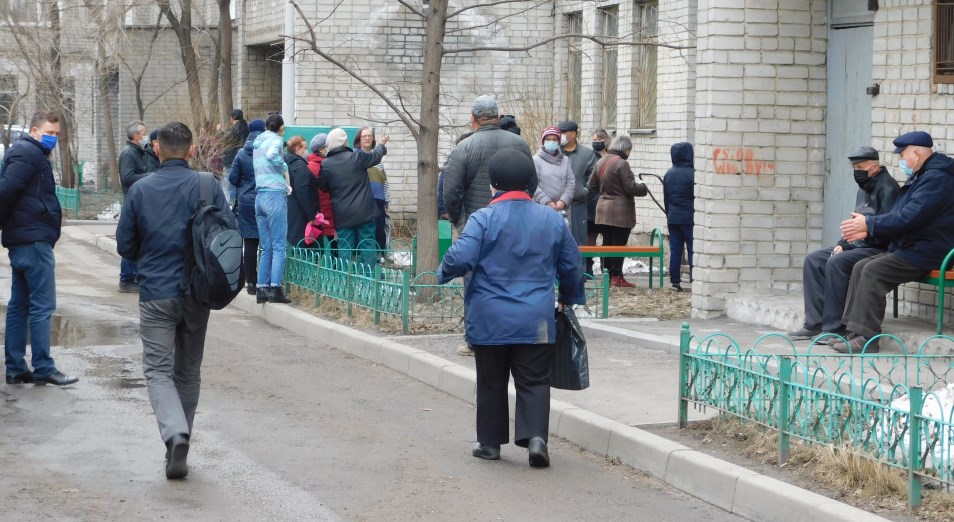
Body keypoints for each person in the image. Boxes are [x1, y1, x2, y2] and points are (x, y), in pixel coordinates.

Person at [438, 149, 585, 468]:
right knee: (534, 380)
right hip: (536, 318)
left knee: (491, 381)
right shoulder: (550, 218)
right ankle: (535, 439)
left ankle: (490, 444)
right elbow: (572, 263)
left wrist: (443, 271)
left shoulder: (483, 219)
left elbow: (460, 257)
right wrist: (568, 296)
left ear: (494, 185)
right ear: (531, 183)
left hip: (489, 318)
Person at [117, 121, 235, 479]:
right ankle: (179, 443)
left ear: (157, 149)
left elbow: (126, 245)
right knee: (187, 370)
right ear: (191, 148)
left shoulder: (141, 189)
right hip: (197, 293)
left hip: (156, 292)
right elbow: (229, 232)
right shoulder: (207, 185)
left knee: (156, 369)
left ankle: (174, 434)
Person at [835, 131, 954, 353]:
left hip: (929, 250)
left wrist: (869, 224)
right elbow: (900, 213)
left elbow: (910, 216)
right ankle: (853, 330)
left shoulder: (937, 179)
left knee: (873, 270)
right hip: (914, 246)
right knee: (861, 266)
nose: (901, 161)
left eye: (903, 156)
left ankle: (867, 338)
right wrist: (868, 230)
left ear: (917, 153)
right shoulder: (922, 174)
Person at [788, 147, 900, 343]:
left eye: (860, 167)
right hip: (857, 246)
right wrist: (842, 243)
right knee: (814, 260)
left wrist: (848, 246)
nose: (857, 172)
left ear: (874, 167)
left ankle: (835, 327)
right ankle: (814, 323)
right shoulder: (863, 188)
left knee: (837, 262)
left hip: (878, 249)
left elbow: (889, 232)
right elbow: (853, 224)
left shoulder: (888, 188)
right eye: (854, 167)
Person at [0, 111, 78, 386]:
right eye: (49, 132)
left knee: (20, 305)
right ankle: (43, 366)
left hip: (25, 238)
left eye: (57, 134)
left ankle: (16, 366)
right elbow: (6, 189)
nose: (53, 138)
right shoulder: (29, 153)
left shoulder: (25, 152)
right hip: (33, 240)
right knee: (42, 306)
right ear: (34, 130)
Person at [442, 95, 534, 233]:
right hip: (515, 224)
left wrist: (460, 222)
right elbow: (532, 183)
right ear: (497, 118)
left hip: (476, 227)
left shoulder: (463, 148)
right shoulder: (520, 143)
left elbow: (451, 192)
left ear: (472, 118)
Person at [316, 127, 389, 269]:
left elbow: (323, 186)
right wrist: (381, 145)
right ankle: (369, 280)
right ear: (345, 142)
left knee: (345, 246)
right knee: (368, 244)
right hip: (365, 211)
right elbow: (376, 156)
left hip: (343, 214)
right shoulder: (357, 157)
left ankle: (345, 283)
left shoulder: (326, 164)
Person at [587, 135, 648, 288]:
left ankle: (607, 275)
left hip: (602, 209)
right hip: (620, 212)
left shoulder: (601, 160)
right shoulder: (622, 164)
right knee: (619, 244)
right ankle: (617, 276)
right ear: (625, 149)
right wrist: (643, 186)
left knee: (607, 243)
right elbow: (631, 188)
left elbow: (591, 185)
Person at [253, 113, 292, 304]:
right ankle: (276, 288)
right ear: (280, 127)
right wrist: (283, 165)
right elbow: (273, 156)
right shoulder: (276, 140)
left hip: (259, 196)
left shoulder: (257, 143)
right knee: (278, 247)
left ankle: (262, 289)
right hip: (275, 195)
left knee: (266, 247)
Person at [228, 119, 263, 295]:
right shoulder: (269, 150)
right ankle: (268, 281)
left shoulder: (242, 153)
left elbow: (233, 178)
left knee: (250, 242)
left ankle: (251, 282)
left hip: (247, 201)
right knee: (268, 243)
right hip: (266, 199)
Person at [118, 120, 151, 293]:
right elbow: (127, 177)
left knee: (138, 239)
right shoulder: (129, 153)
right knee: (131, 240)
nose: (147, 135)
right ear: (136, 136)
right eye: (144, 132)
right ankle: (127, 278)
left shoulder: (139, 152)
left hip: (138, 201)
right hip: (132, 201)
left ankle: (136, 276)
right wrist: (151, 176)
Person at [557, 120, 597, 247]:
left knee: (578, 243)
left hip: (578, 205)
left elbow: (594, 175)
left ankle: (581, 267)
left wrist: (585, 190)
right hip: (555, 205)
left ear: (573, 134)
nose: (560, 135)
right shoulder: (553, 152)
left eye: (563, 132)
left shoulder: (587, 154)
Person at [662, 142, 696, 292]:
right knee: (692, 248)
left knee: (675, 249)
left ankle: (675, 281)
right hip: (689, 217)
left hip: (673, 216)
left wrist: (669, 213)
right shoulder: (693, 174)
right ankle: (695, 279)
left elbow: (666, 198)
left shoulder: (669, 174)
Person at [354, 127, 390, 252]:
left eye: (370, 136)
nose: (368, 138)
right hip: (363, 202)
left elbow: (384, 182)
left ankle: (379, 256)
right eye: (364, 136)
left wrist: (386, 200)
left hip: (378, 201)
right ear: (359, 139)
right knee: (365, 232)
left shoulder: (378, 160)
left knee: (380, 230)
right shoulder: (356, 157)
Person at [285, 135, 319, 247]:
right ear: (297, 149)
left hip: (289, 208)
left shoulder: (285, 162)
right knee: (303, 244)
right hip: (300, 212)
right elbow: (302, 191)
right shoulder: (300, 165)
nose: (306, 151)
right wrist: (311, 216)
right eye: (304, 148)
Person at [585, 129, 610, 275]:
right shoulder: (589, 157)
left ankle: (605, 267)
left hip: (607, 204)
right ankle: (588, 267)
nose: (597, 142)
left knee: (607, 238)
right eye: (594, 140)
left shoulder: (613, 157)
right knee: (590, 237)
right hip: (591, 204)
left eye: (599, 139)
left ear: (606, 140)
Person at [531, 126, 574, 211]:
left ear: (558, 142)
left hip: (562, 209)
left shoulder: (565, 160)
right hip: (542, 208)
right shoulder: (536, 160)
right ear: (543, 141)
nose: (551, 142)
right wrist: (547, 202)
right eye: (548, 139)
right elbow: (533, 185)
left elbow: (571, 182)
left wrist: (563, 201)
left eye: (555, 139)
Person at [307, 133, 336, 248]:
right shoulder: (327, 165)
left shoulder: (308, 165)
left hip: (317, 213)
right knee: (334, 246)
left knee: (318, 246)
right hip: (328, 211)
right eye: (327, 146)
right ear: (321, 149)